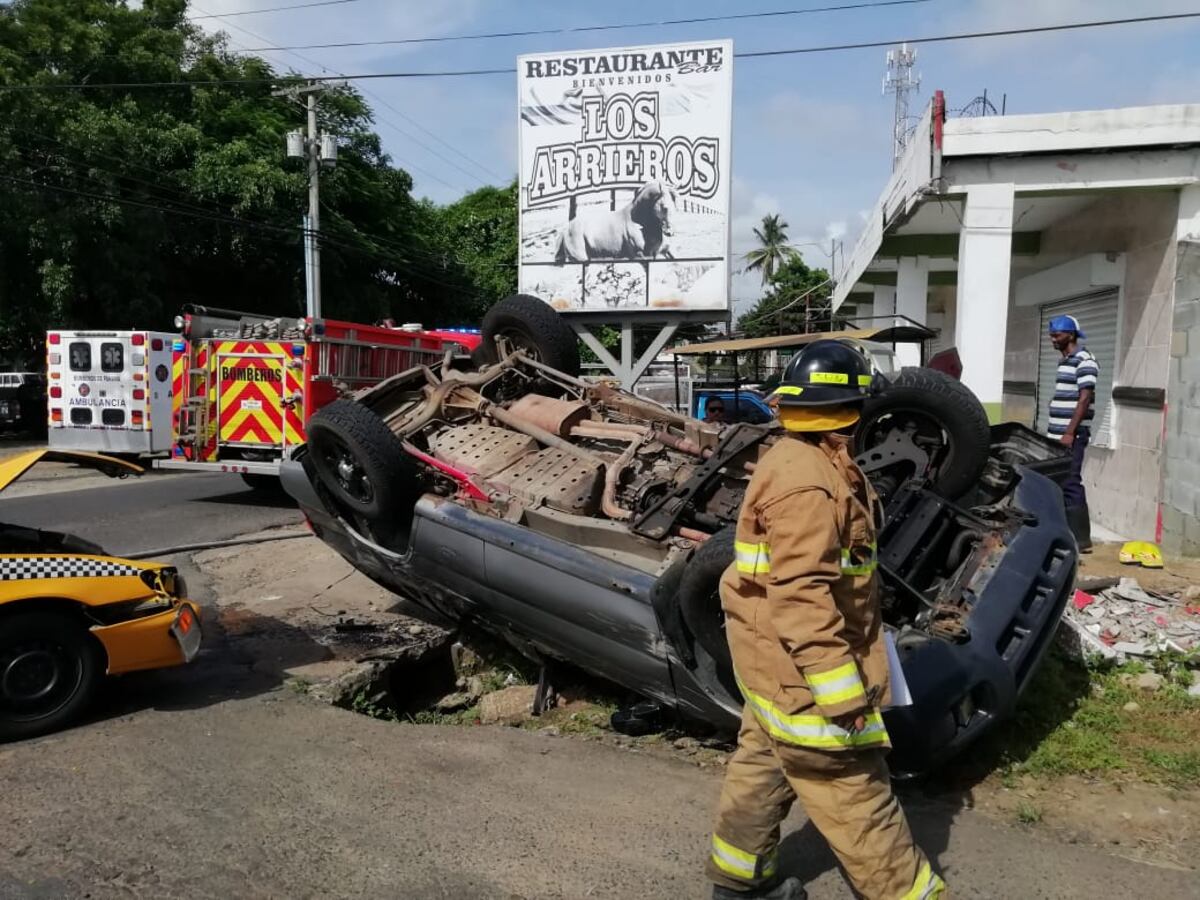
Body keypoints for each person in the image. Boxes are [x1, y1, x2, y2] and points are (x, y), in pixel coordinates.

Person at [706, 340, 945, 900]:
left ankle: (740, 886)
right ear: (851, 412)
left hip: (770, 663)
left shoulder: (802, 460)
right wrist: (841, 697)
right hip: (805, 678)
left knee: (760, 770)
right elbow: (801, 597)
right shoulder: (808, 484)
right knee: (858, 798)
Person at [1047, 314, 1099, 551]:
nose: (1052, 340)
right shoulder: (1065, 361)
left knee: (1070, 480)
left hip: (1072, 435)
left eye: (1056, 335)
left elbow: (1085, 398)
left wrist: (1069, 432)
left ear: (1070, 335)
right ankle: (1066, 533)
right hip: (1057, 435)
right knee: (1059, 481)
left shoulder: (1084, 360)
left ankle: (1081, 539)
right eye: (1051, 335)